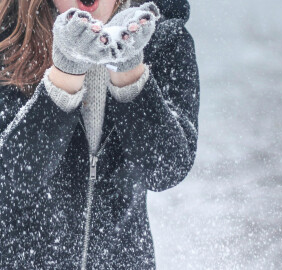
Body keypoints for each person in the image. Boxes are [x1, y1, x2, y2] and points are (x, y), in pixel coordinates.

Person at [0, 0, 199, 268]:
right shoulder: (8, 37)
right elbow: (12, 177)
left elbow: (166, 169)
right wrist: (66, 73)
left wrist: (129, 69)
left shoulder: (164, 37)